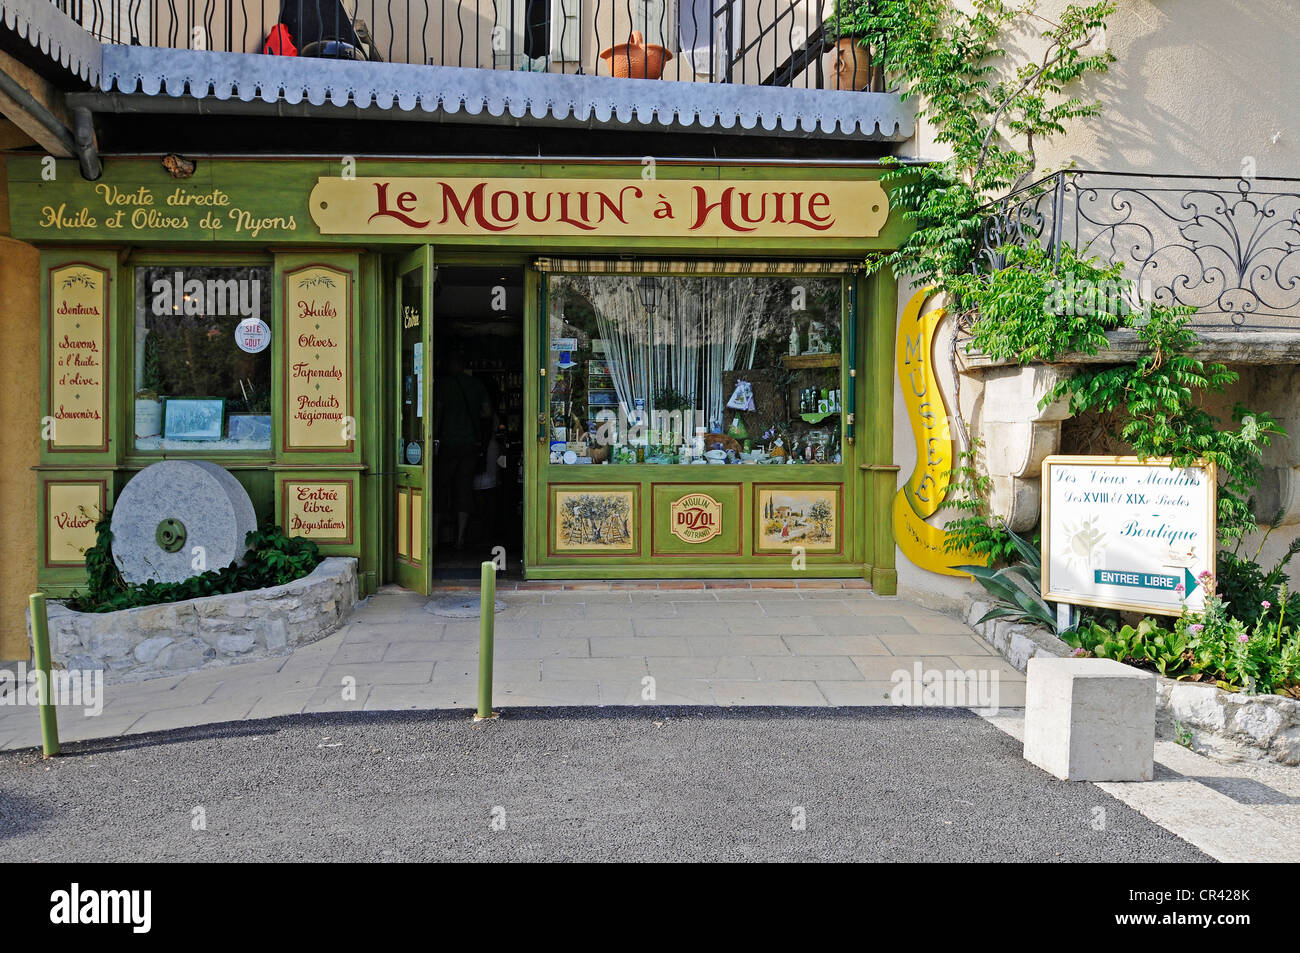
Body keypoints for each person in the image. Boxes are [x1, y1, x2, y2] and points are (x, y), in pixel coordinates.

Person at [432, 349, 491, 551]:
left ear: (451, 364)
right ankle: (460, 538)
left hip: (447, 444)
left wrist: (434, 437)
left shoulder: (443, 385)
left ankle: (435, 538)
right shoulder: (476, 385)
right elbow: (487, 412)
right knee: (464, 489)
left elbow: (437, 414)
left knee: (441, 489)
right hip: (469, 444)